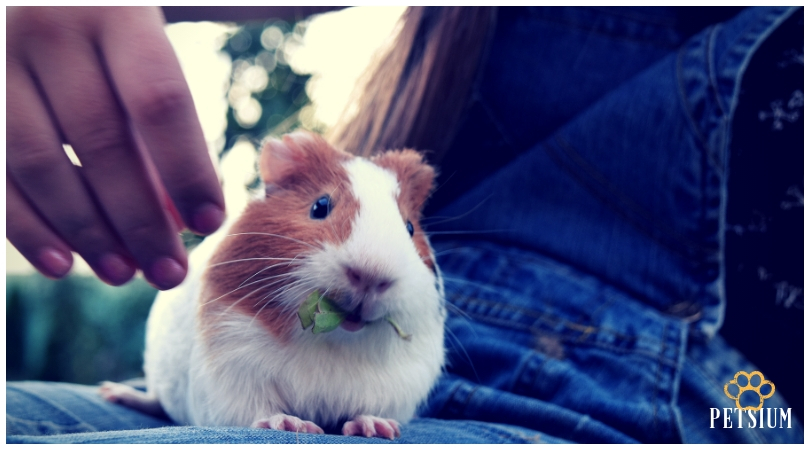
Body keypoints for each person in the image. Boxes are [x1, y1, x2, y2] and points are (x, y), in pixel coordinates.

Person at [6, 6, 803, 443]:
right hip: (258, 386)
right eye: (323, 212)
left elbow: (769, 404)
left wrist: (763, 419)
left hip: (648, 405)